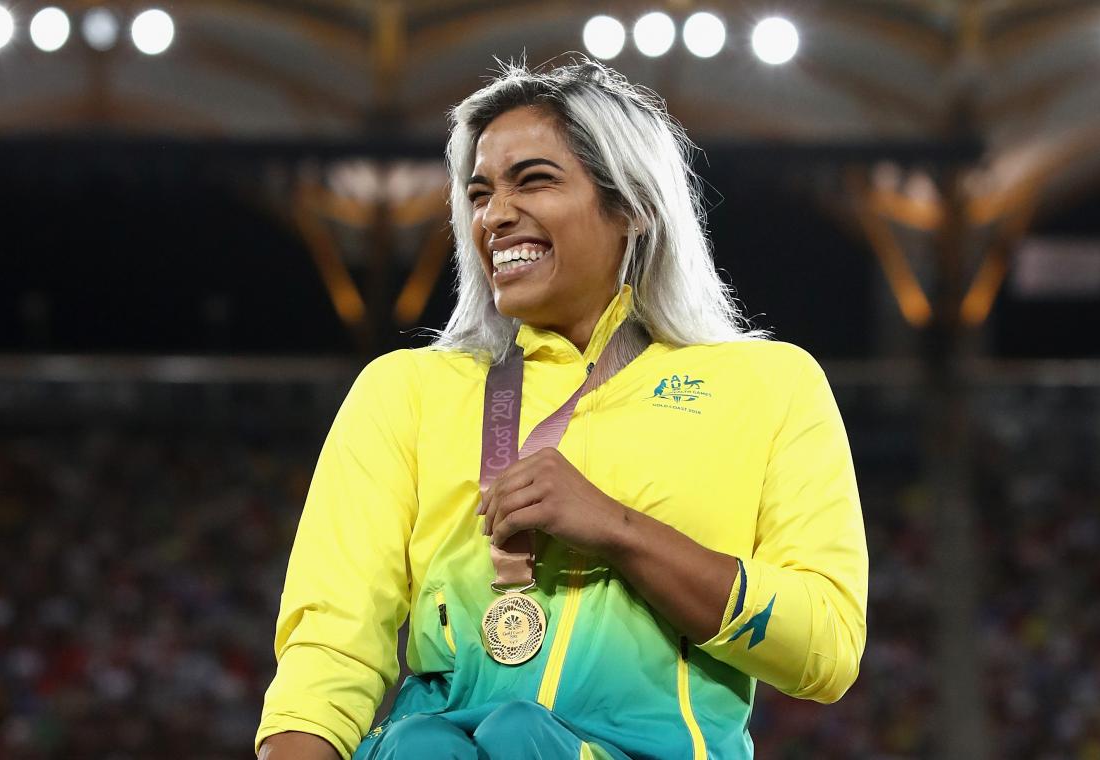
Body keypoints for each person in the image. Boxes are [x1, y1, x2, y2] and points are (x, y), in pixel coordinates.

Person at [256, 59, 868, 760]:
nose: (496, 214)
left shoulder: (768, 385)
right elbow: (329, 648)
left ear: (632, 205)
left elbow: (825, 647)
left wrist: (617, 529)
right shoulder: (404, 393)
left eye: (535, 180)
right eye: (480, 192)